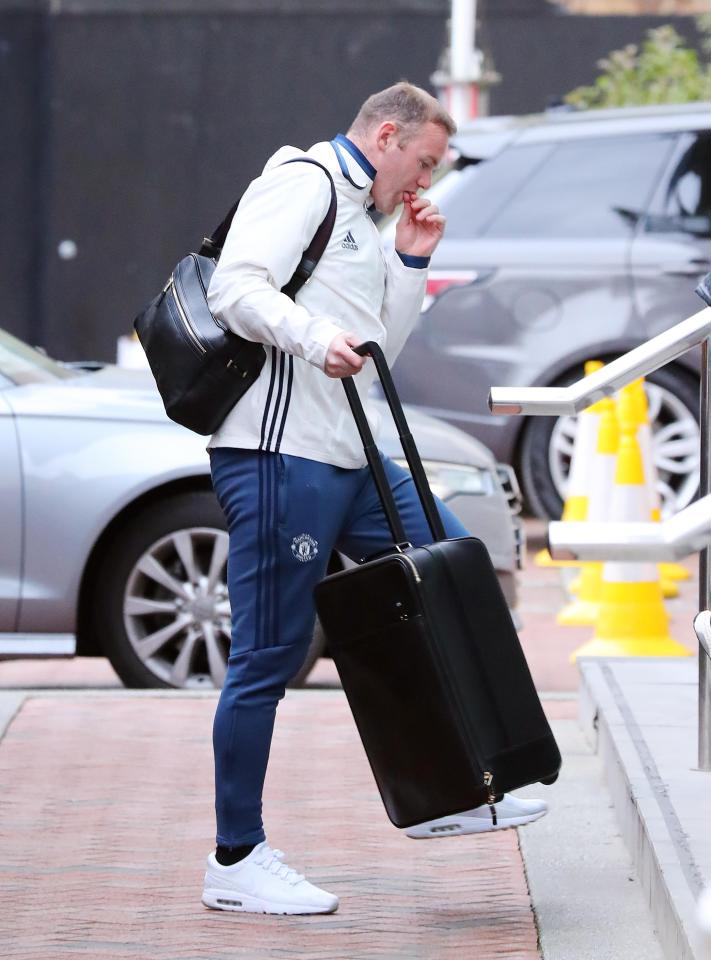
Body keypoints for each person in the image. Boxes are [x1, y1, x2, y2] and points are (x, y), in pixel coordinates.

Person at [201, 82, 547, 917]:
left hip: (352, 454)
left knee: (451, 579)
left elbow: (380, 343)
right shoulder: (304, 184)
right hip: (282, 454)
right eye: (423, 163)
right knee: (267, 658)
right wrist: (314, 337)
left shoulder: (365, 213)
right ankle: (235, 858)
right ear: (386, 134)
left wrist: (412, 257)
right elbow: (236, 290)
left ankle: (457, 787)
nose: (424, 179)